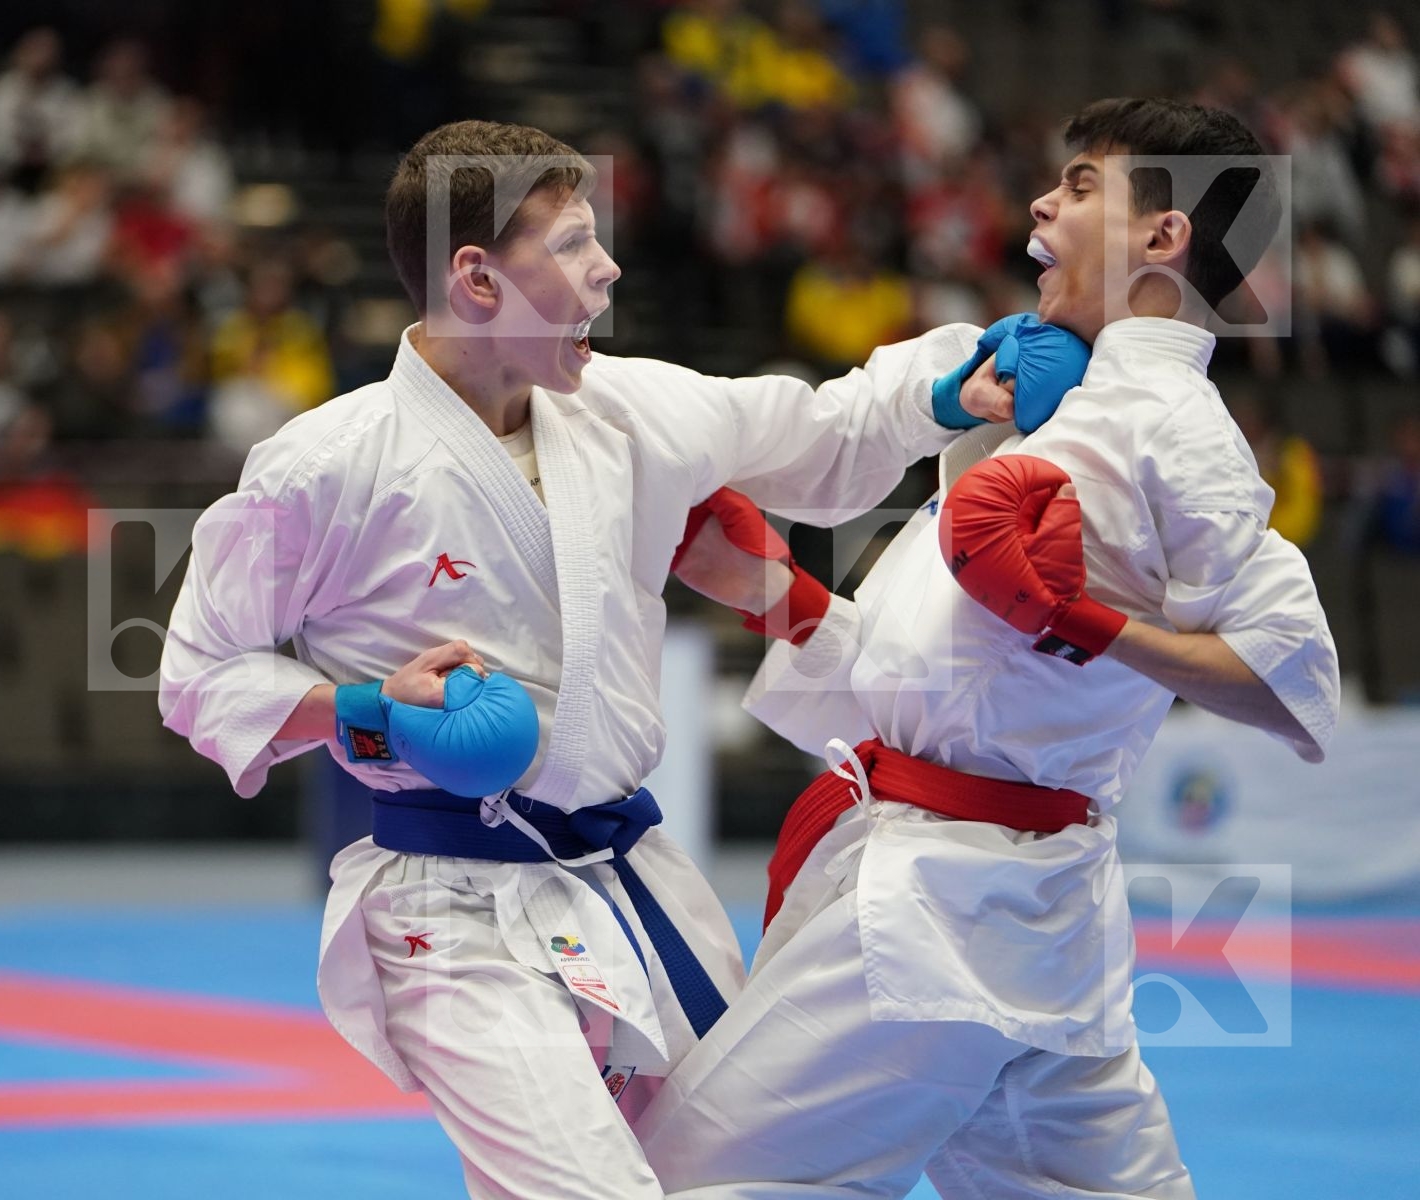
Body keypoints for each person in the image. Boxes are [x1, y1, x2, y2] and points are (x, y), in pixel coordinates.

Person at [157, 119, 1033, 1199]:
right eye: (572, 244)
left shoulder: (625, 408)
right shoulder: (326, 467)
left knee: (744, 1176)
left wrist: (950, 389)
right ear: (476, 277)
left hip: (628, 875)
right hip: (449, 904)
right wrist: (365, 709)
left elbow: (812, 433)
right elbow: (200, 676)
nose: (606, 269)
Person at [636, 98, 1340, 1199]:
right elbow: (944, 678)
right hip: (1016, 910)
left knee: (689, 1180)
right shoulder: (1050, 391)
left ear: (1165, 238)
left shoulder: (1174, 427)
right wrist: (770, 592)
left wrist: (1083, 621)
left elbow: (1293, 688)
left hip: (951, 907)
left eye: (1079, 186)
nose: (1040, 203)